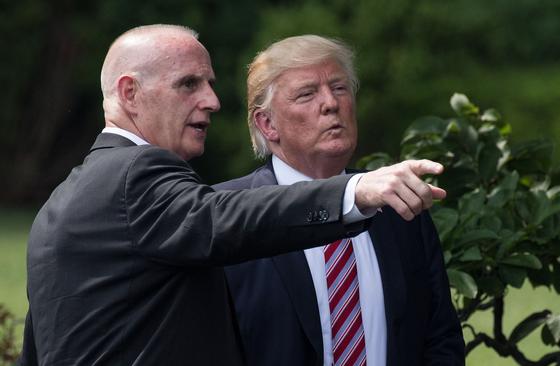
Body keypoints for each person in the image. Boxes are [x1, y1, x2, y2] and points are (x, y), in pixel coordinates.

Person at [19, 25, 447, 366]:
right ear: (130, 93)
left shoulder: (58, 206)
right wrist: (356, 190)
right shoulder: (136, 173)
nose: (212, 100)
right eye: (188, 84)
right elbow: (219, 217)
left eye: (209, 83)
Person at [214, 35, 465, 366]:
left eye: (339, 88)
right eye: (307, 94)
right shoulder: (225, 216)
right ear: (268, 123)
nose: (330, 103)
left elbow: (440, 337)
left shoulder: (396, 204)